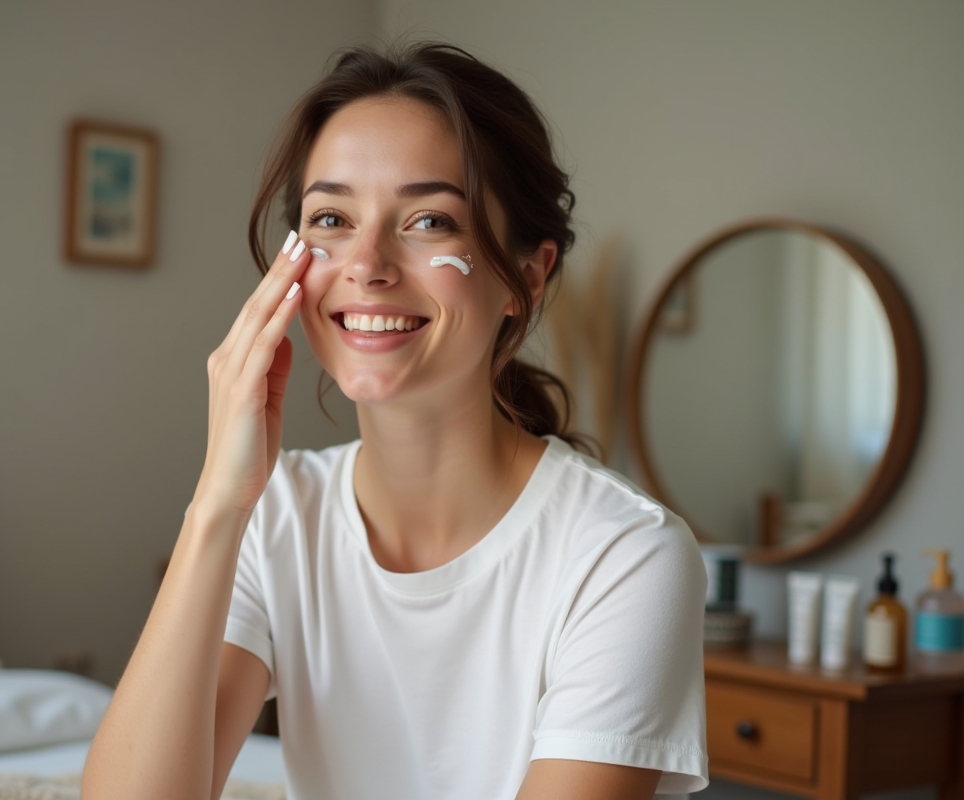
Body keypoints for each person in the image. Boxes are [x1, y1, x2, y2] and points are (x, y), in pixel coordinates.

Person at [83, 42, 708, 800]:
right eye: (332, 218)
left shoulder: (626, 555)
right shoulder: (276, 514)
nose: (368, 263)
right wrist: (218, 500)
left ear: (529, 277)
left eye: (429, 220)